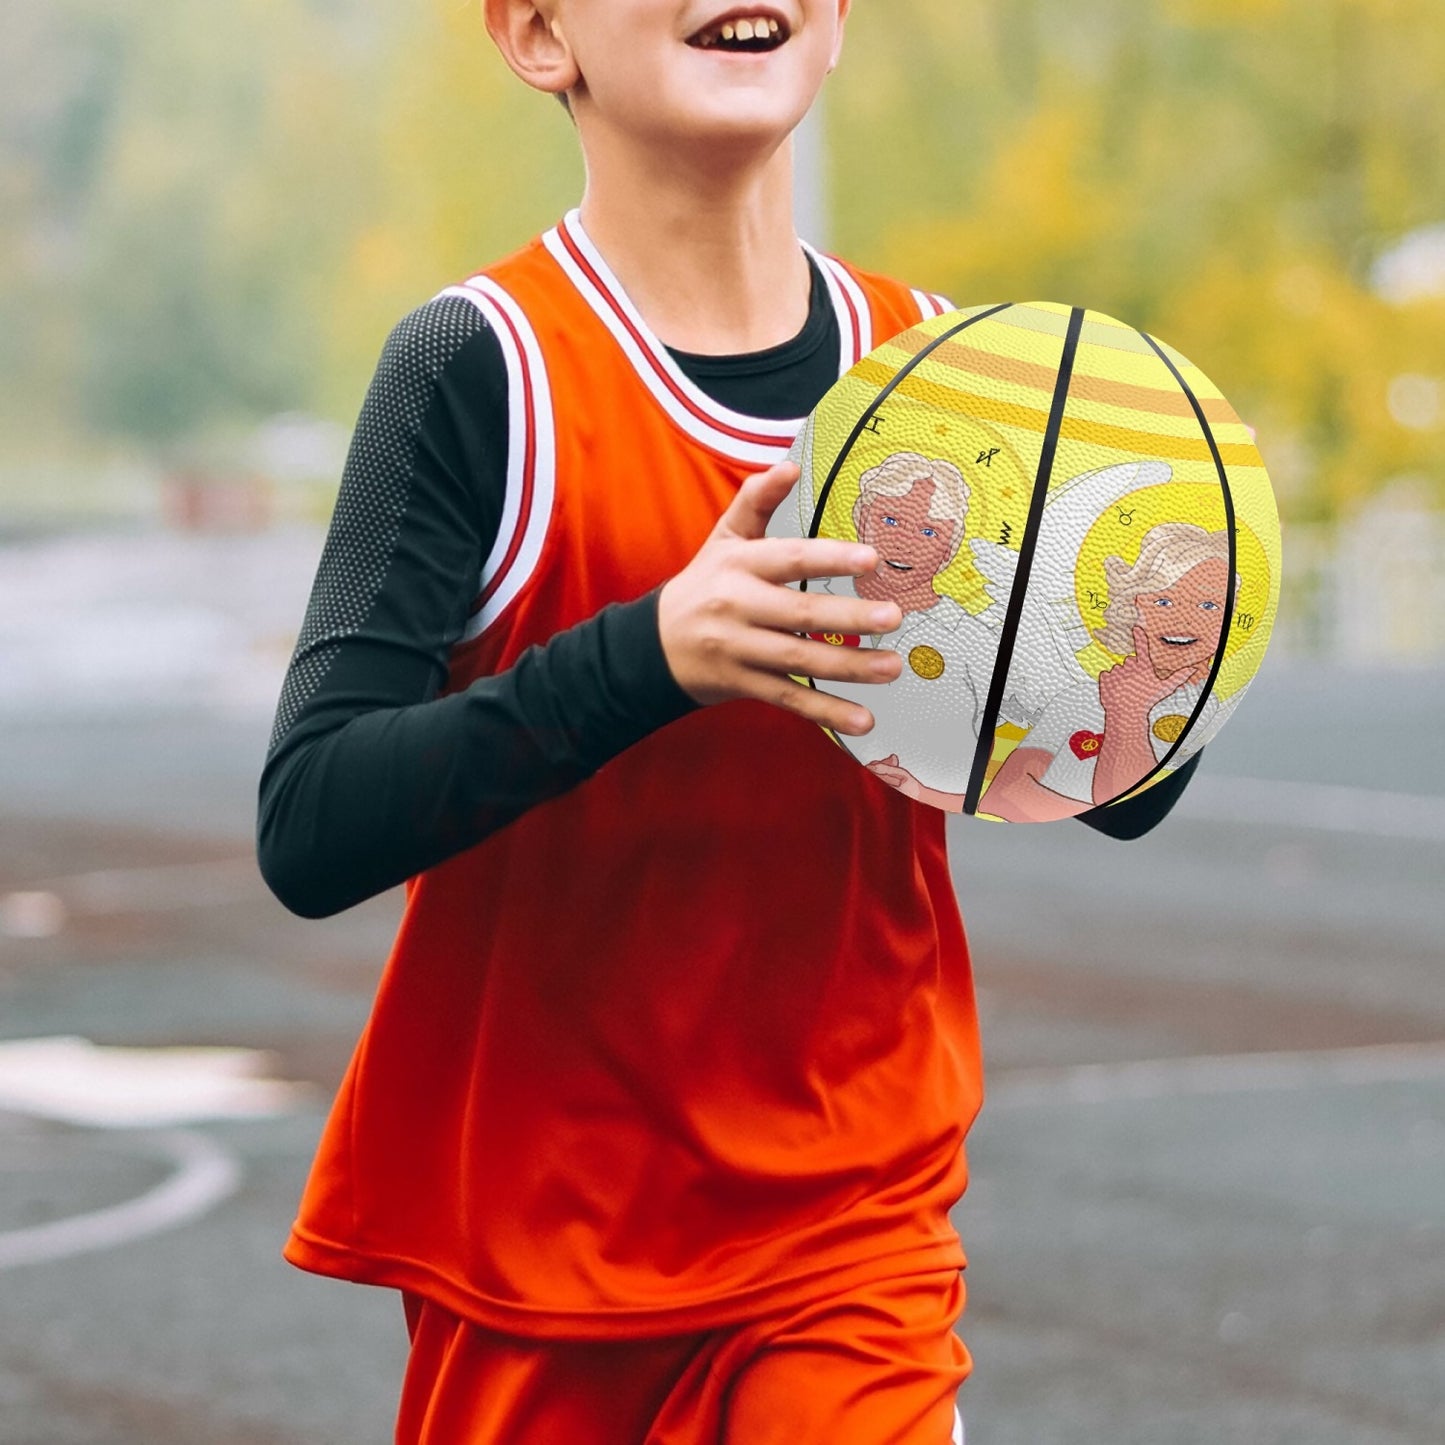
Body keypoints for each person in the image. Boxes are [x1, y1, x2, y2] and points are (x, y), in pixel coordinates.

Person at [257, 3, 1197, 1439]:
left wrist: (1152, 665)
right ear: (534, 36)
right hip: (540, 1241)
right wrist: (649, 654)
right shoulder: (478, 367)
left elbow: (1111, 785)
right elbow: (310, 822)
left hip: (850, 1220)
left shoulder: (953, 381)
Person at [984, 522, 1228, 823]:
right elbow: (1008, 789)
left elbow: (1128, 814)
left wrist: (1128, 714)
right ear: (1132, 607)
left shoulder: (1201, 703)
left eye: (1208, 604)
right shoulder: (1081, 694)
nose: (1184, 619)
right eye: (1163, 601)